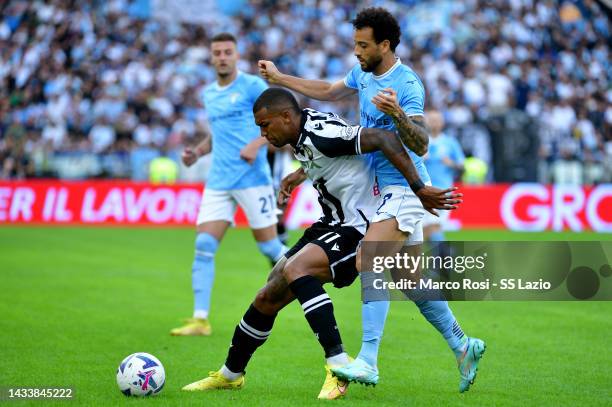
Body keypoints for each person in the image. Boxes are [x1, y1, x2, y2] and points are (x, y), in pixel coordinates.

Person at [258, 7, 485, 392]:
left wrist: (397, 114)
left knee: (368, 257)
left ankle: (367, 360)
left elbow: (421, 142)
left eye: (363, 45)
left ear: (385, 44)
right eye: (354, 44)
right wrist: (281, 78)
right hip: (379, 191)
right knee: (410, 280)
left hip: (405, 188)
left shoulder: (407, 84)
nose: (356, 52)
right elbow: (330, 91)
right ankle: (464, 345)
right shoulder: (363, 74)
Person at [182, 89, 461, 399]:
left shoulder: (321, 132)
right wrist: (301, 173)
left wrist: (420, 189)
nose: (263, 133)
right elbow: (330, 155)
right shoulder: (302, 135)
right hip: (332, 223)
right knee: (269, 292)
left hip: (359, 226)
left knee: (298, 269)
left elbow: (384, 139)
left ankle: (338, 363)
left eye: (265, 125)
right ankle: (230, 374)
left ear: (286, 117)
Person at [170, 33, 287, 337]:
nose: (222, 57)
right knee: (204, 245)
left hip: (253, 179)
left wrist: (256, 143)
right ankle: (199, 319)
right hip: (219, 181)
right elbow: (216, 134)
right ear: (211, 58)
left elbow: (279, 124)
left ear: (236, 56)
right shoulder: (209, 94)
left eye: (227, 52)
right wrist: (197, 152)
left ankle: (311, 276)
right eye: (217, 52)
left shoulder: (252, 86)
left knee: (270, 247)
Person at [422, 110, 465, 242]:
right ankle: (442, 256)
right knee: (427, 227)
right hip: (423, 191)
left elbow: (462, 166)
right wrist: (420, 159)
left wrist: (451, 163)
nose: (434, 123)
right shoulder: (420, 141)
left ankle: (440, 257)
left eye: (437, 120)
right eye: (431, 119)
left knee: (433, 226)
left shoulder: (450, 142)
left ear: (442, 122)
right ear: (425, 122)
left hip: (444, 191)